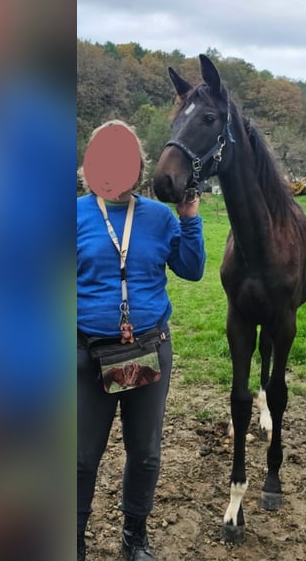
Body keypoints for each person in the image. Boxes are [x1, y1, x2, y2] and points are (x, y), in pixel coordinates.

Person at [77, 120, 205, 561]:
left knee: (146, 452)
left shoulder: (159, 217)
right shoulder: (72, 215)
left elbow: (191, 269)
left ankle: (134, 537)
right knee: (79, 458)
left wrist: (191, 221)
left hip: (147, 350)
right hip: (85, 355)